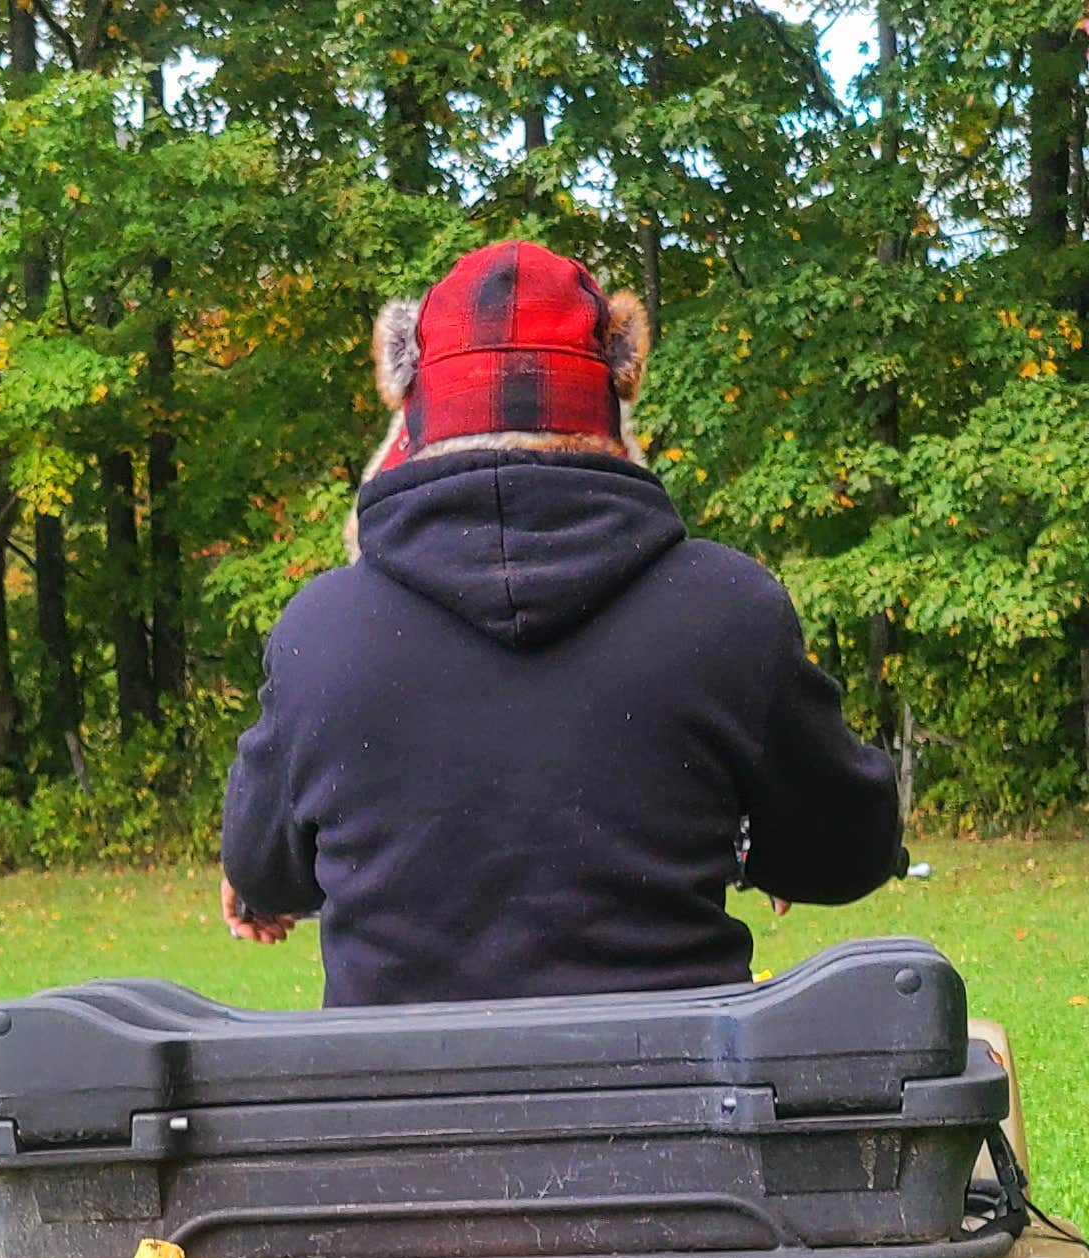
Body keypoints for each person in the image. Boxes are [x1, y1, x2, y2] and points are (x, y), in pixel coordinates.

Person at [219, 241, 901, 1007]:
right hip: (682, 1116)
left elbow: (261, 869)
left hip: (403, 1127)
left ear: (418, 410)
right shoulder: (729, 610)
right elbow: (852, 848)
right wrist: (749, 843)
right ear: (610, 402)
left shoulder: (322, 633)